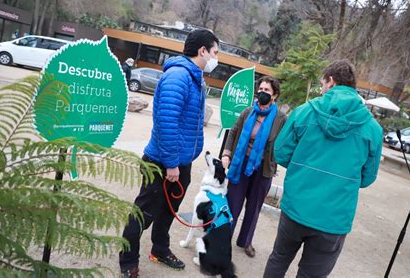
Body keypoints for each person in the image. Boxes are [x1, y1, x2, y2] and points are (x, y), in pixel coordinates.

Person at [263, 60, 383, 278]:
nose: (321, 88)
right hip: (334, 218)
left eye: (322, 83)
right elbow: (367, 178)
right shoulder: (372, 128)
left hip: (296, 207)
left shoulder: (303, 112)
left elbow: (280, 153)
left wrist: (303, 168)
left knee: (279, 259)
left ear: (331, 81)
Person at [119, 29, 219, 278]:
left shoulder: (195, 77)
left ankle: (159, 249)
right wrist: (172, 164)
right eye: (215, 53)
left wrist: (181, 162)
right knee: (144, 213)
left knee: (167, 211)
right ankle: (128, 261)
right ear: (202, 51)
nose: (216, 59)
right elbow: (166, 122)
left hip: (179, 162)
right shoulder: (178, 76)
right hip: (162, 162)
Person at [221, 76, 287, 258]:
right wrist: (227, 153)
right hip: (240, 165)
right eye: (261, 89)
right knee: (232, 204)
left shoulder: (281, 119)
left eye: (267, 91)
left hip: (263, 169)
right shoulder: (248, 112)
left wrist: (276, 160)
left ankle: (245, 241)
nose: (262, 93)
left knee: (254, 207)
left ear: (275, 95)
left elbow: (285, 144)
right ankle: (223, 238)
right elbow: (233, 133)